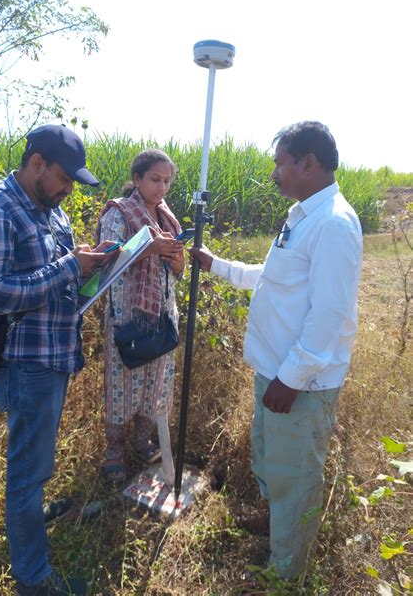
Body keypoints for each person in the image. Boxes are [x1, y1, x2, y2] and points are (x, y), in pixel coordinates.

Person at [191, 121, 362, 580]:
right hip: (276, 372)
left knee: (296, 480)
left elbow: (329, 315)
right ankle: (275, 525)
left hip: (299, 383)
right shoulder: (303, 216)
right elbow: (271, 278)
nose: (274, 172)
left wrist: (291, 379)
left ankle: (284, 577)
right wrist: (215, 265)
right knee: (271, 464)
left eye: (280, 163)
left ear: (309, 163)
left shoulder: (333, 223)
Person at [0, 124, 119, 596]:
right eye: (64, 178)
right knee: (26, 475)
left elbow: (60, 269)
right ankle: (33, 581)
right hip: (25, 364)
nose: (69, 188)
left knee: (36, 464)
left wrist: (93, 261)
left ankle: (29, 519)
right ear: (36, 165)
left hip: (53, 356)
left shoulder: (50, 210)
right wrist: (72, 266)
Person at [96, 148, 184, 483]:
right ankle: (114, 451)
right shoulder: (119, 214)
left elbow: (177, 270)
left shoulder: (166, 217)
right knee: (123, 385)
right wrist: (149, 248)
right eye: (154, 179)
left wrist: (175, 258)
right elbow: (107, 261)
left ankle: (142, 440)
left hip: (161, 316)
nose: (161, 187)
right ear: (137, 179)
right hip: (128, 316)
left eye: (166, 181)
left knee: (154, 383)